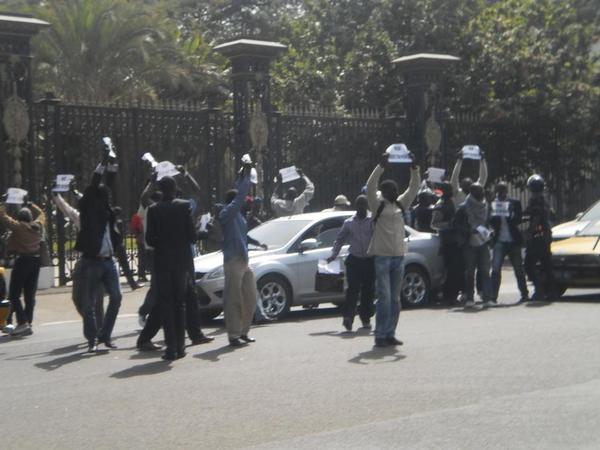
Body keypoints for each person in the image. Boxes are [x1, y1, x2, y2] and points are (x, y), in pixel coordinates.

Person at [366, 152, 420, 347]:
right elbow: (370, 186)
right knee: (385, 297)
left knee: (396, 299)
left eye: (397, 189)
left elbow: (414, 187)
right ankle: (380, 334)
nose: (396, 192)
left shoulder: (400, 204)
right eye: (392, 190)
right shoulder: (376, 205)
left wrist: (414, 168)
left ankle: (390, 333)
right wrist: (380, 166)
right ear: (384, 192)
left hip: (398, 257)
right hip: (382, 257)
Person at [145, 176, 198, 360]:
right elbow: (192, 236)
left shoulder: (153, 210)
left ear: (160, 190)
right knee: (180, 303)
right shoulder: (184, 206)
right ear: (175, 189)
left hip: (162, 262)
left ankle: (171, 347)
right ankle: (181, 346)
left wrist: (163, 242)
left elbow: (149, 239)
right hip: (181, 262)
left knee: (166, 304)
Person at [75, 153, 122, 353]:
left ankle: (105, 335)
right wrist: (102, 163)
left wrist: (113, 163)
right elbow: (96, 184)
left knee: (117, 297)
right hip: (92, 261)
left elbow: (107, 185)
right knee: (89, 304)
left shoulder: (108, 213)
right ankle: (92, 339)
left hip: (108, 261)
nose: (109, 197)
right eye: (105, 196)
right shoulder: (89, 209)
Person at [51, 183, 105, 329]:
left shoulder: (104, 216)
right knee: (77, 298)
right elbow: (67, 210)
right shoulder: (82, 217)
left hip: (100, 262)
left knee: (97, 300)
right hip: (83, 262)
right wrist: (58, 196)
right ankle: (92, 322)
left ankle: (99, 331)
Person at [220, 161, 258, 347]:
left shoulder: (240, 217)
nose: (244, 202)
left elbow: (245, 237)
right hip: (233, 260)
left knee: (251, 297)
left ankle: (244, 331)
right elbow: (240, 194)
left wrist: (243, 175)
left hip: (243, 260)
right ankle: (234, 335)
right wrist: (248, 177)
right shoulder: (226, 213)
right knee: (233, 299)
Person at [327, 195, 374, 331]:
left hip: (370, 260)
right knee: (352, 290)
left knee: (368, 291)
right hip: (354, 260)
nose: (361, 208)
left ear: (367, 207)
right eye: (359, 205)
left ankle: (365, 318)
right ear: (356, 207)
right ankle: (348, 318)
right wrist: (333, 254)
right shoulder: (349, 223)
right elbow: (340, 239)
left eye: (363, 205)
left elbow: (379, 236)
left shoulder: (372, 221)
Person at [0, 201, 45, 336]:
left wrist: (3, 203)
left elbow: (3, 217)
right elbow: (42, 214)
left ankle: (22, 322)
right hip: (36, 261)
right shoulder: (38, 226)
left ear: (20, 218)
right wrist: (31, 205)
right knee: (30, 295)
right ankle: (28, 323)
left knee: (14, 294)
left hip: (23, 261)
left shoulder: (19, 227)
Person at [454, 183, 494, 307]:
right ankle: (470, 299)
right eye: (479, 191)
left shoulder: (486, 206)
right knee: (470, 272)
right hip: (469, 243)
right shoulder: (463, 208)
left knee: (485, 271)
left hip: (483, 242)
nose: (482, 193)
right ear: (472, 192)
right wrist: (469, 230)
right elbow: (456, 224)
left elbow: (489, 222)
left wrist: (490, 232)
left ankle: (487, 298)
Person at [489, 182, 529, 303]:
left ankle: (524, 294)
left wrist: (511, 213)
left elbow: (518, 220)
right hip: (499, 240)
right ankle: (492, 297)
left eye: (503, 190)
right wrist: (494, 212)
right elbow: (492, 222)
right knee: (495, 270)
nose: (501, 193)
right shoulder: (493, 204)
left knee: (518, 269)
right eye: (499, 190)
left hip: (513, 241)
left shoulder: (514, 203)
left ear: (506, 191)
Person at [523, 174, 557, 301]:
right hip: (546, 235)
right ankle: (551, 291)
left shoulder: (535, 200)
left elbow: (536, 218)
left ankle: (540, 289)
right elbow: (552, 216)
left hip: (538, 236)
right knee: (546, 264)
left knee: (528, 265)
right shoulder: (546, 201)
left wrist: (529, 232)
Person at [431, 182, 464, 304]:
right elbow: (434, 224)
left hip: (458, 240)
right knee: (451, 270)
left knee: (459, 270)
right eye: (448, 190)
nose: (451, 192)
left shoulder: (454, 202)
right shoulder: (440, 205)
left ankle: (456, 294)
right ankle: (448, 296)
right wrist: (449, 224)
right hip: (448, 241)